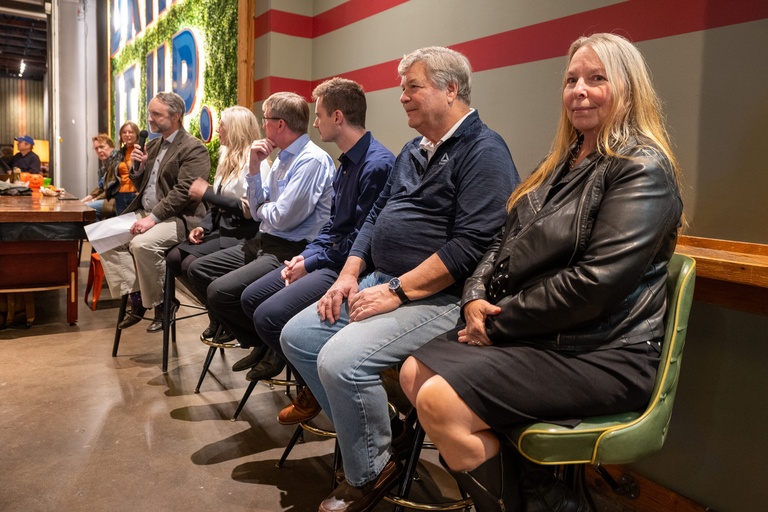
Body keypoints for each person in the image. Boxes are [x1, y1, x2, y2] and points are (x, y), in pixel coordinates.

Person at [399, 33, 684, 512]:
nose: (579, 90)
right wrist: (472, 297)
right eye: (572, 79)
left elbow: (596, 284)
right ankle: (546, 493)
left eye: (597, 79)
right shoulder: (562, 163)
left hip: (605, 349)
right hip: (546, 335)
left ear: (628, 89)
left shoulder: (642, 167)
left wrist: (497, 322)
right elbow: (498, 242)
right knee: (413, 372)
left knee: (439, 403)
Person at [279, 46, 520, 512]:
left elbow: (472, 245)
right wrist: (349, 276)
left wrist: (396, 291)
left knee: (340, 362)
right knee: (298, 336)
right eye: (402, 87)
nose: (403, 96)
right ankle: (373, 435)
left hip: (443, 296)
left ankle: (369, 472)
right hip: (382, 280)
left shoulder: (484, 150)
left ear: (451, 89)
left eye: (413, 86)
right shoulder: (413, 149)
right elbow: (373, 219)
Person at [230, 77, 394, 385]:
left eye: (318, 115)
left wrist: (312, 261)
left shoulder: (376, 164)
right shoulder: (346, 162)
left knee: (267, 315)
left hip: (353, 267)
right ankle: (301, 371)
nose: (314, 123)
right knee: (252, 300)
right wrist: (305, 257)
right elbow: (331, 225)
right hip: (326, 254)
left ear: (337, 117)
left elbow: (363, 239)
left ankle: (315, 385)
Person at [186, 92, 335, 357]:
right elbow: (258, 212)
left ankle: (269, 347)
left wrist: (263, 207)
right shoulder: (281, 158)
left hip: (292, 249)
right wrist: (253, 167)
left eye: (265, 119)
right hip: (266, 241)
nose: (262, 125)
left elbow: (282, 217)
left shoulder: (310, 160)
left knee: (222, 292)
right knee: (198, 270)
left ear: (280, 124)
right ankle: (261, 342)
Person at [100, 91, 210, 333]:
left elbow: (184, 192)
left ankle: (163, 304)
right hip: (147, 211)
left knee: (142, 245)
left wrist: (152, 219)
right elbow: (144, 186)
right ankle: (138, 299)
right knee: (103, 236)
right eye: (149, 113)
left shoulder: (194, 148)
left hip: (178, 218)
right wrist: (136, 168)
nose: (149, 119)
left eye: (156, 114)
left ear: (175, 116)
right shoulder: (152, 145)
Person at [166, 106, 266, 341]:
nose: (218, 128)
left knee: (191, 264)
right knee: (173, 258)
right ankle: (217, 314)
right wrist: (203, 226)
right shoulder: (226, 157)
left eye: (222, 124)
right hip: (223, 228)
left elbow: (248, 210)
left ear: (237, 130)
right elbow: (218, 205)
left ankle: (222, 317)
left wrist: (207, 194)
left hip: (243, 233)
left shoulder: (257, 164)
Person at [83, 134, 121, 220]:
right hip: (107, 198)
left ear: (111, 146)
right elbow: (100, 188)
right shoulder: (104, 167)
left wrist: (94, 200)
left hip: (116, 199)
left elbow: (112, 187)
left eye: (102, 147)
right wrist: (83, 200)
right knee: (82, 206)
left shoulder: (117, 161)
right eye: (96, 148)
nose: (99, 150)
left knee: (88, 209)